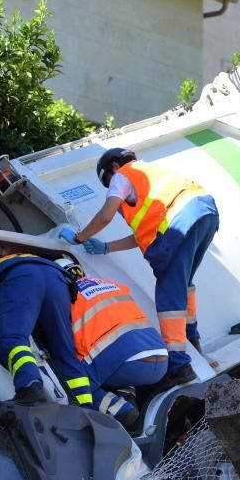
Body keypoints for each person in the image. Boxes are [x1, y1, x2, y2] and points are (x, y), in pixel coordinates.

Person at [68, 148, 219, 390]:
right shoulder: (150, 172)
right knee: (184, 283)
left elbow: (105, 216)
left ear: (114, 166)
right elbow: (143, 234)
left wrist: (79, 237)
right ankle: (192, 339)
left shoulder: (122, 175)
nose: (111, 188)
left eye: (107, 181)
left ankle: (180, 366)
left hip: (181, 221)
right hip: (204, 212)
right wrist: (107, 247)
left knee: (169, 294)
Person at [0, 241, 139, 427]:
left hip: (22, 276)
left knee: (13, 338)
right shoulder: (29, 254)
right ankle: (86, 411)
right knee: (65, 353)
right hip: (56, 278)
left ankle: (29, 388)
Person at [66, 260, 169, 415]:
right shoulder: (111, 284)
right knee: (109, 364)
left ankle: (120, 410)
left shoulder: (66, 296)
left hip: (128, 364)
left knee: (72, 377)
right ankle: (126, 394)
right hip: (161, 358)